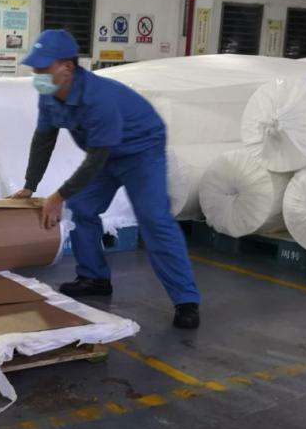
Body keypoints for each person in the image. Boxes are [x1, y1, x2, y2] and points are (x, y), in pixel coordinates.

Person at [11, 29, 201, 329]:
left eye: (42, 69)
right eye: (34, 69)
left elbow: (96, 158)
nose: (37, 76)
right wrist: (29, 185)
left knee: (154, 219)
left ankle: (186, 300)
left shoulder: (99, 99)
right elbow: (44, 138)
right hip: (106, 153)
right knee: (82, 207)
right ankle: (94, 277)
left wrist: (58, 196)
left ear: (67, 68)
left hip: (141, 151)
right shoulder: (49, 96)